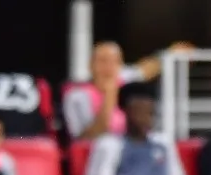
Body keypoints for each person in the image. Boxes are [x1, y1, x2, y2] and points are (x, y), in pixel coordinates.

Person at [63, 41, 194, 141]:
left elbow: (146, 69)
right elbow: (87, 138)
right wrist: (109, 97)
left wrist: (173, 52)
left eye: (114, 62)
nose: (108, 68)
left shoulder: (124, 78)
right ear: (90, 65)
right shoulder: (76, 96)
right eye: (102, 61)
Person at [85, 82, 186, 175]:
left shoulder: (164, 143)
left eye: (150, 113)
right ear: (126, 112)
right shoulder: (109, 144)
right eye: (140, 113)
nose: (146, 120)